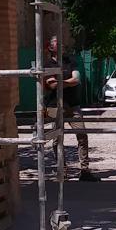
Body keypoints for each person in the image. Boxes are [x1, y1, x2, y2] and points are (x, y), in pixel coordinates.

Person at [43, 35, 97, 181]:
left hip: (73, 105)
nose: (59, 44)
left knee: (82, 135)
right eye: (55, 42)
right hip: (55, 105)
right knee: (57, 139)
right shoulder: (47, 64)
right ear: (50, 47)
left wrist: (60, 81)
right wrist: (68, 82)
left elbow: (77, 79)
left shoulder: (70, 61)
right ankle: (62, 171)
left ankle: (84, 171)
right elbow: (52, 85)